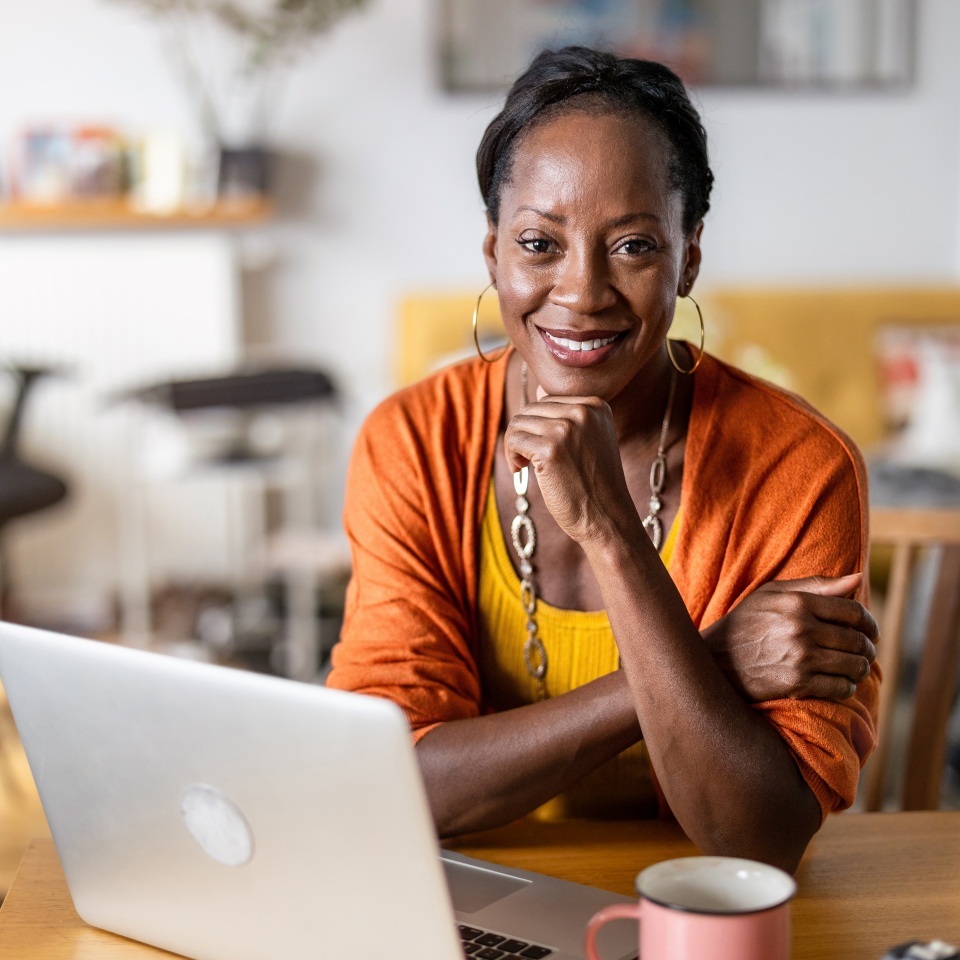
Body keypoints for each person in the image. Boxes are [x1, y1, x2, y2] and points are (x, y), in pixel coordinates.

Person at [327, 46, 879, 873]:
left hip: (694, 917)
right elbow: (391, 785)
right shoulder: (413, 441)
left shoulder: (798, 467)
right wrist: (717, 658)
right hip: (476, 904)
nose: (582, 292)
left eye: (632, 247)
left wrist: (611, 532)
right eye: (540, 244)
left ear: (689, 255)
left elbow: (756, 841)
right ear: (493, 257)